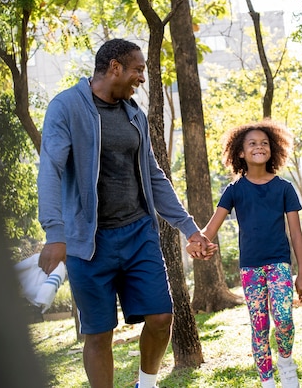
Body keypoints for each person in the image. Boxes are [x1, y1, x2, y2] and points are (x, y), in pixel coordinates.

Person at [37, 38, 217, 388]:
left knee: (162, 316)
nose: (142, 78)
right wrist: (54, 233)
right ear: (115, 67)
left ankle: (145, 385)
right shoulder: (66, 107)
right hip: (88, 243)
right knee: (99, 332)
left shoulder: (133, 113)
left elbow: (153, 175)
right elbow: (51, 171)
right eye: (137, 70)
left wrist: (189, 228)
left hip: (138, 234)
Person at [187, 120, 302, 388]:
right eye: (252, 143)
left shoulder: (284, 188)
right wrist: (197, 242)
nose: (259, 146)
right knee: (259, 326)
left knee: (285, 319)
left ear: (273, 149)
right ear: (240, 153)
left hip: (279, 265)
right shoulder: (234, 190)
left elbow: (296, 234)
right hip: (250, 269)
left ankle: (286, 362)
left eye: (264, 143)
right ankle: (266, 380)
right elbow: (211, 228)